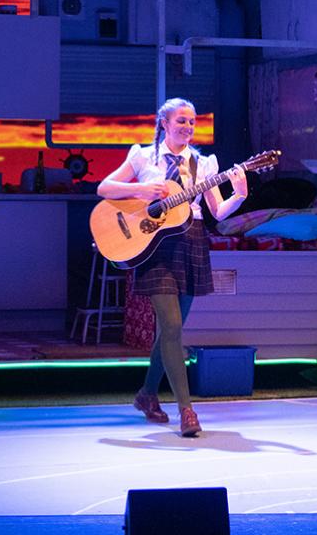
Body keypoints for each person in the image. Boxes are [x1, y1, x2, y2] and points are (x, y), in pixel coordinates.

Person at [98, 97, 248, 437]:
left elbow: (217, 211)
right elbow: (104, 187)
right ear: (164, 123)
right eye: (181, 121)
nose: (188, 127)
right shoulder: (143, 156)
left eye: (192, 122)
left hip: (191, 240)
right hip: (153, 245)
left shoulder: (203, 163)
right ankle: (187, 411)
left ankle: (147, 394)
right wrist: (140, 188)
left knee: (171, 331)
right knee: (172, 324)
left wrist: (238, 195)